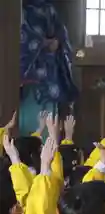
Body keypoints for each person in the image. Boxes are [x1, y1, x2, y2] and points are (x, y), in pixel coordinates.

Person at [20, 0, 77, 136]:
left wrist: (57, 42)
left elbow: (61, 34)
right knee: (27, 116)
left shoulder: (50, 8)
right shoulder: (21, 10)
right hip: (29, 71)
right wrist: (41, 43)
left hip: (51, 70)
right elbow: (21, 37)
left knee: (50, 117)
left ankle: (48, 150)